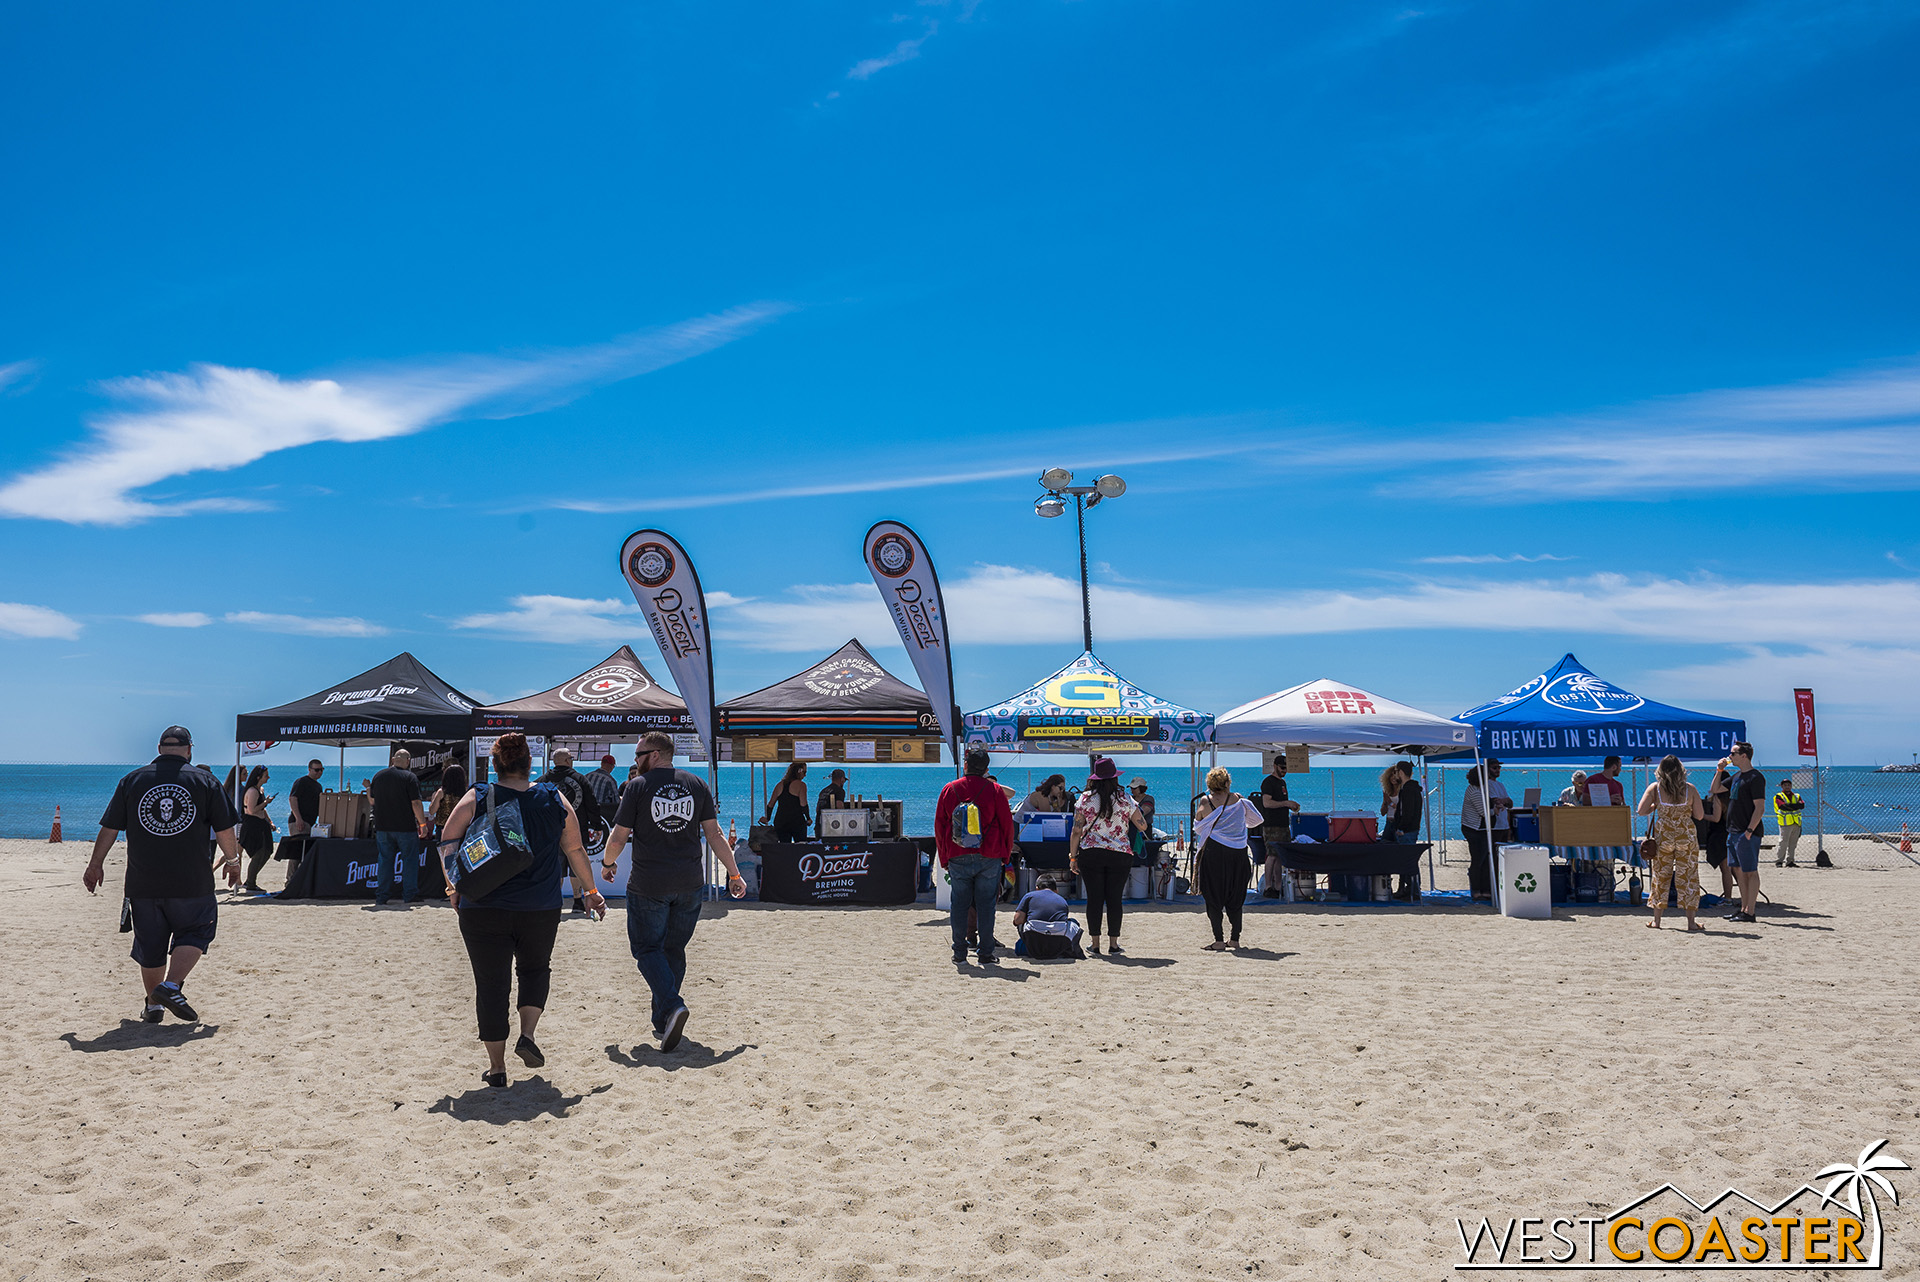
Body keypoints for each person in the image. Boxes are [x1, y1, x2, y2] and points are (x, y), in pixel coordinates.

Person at [438, 732, 607, 1088]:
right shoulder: (552, 797)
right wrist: (590, 891)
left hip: (483, 906)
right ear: (530, 764)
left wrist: (454, 885)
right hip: (540, 906)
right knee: (534, 970)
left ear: (496, 765)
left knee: (491, 984)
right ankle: (527, 1034)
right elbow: (575, 849)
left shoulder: (478, 794)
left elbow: (448, 840)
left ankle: (497, 1068)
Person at [83, 726, 241, 1023]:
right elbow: (224, 829)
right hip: (192, 880)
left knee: (150, 944)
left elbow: (110, 827)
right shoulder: (205, 780)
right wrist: (232, 861)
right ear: (189, 749)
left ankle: (153, 1006)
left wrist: (95, 864)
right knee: (196, 931)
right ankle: (170, 986)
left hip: (144, 881)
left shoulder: (132, 780)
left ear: (159, 748)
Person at [602, 731, 746, 1050]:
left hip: (649, 883)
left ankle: (671, 1006)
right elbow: (715, 834)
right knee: (673, 949)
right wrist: (733, 872)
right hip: (689, 883)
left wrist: (608, 864)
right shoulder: (697, 785)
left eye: (639, 755)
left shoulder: (638, 787)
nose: (635, 761)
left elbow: (617, 837)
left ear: (654, 755)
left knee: (646, 949)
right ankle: (663, 1019)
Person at [933, 746, 1017, 966]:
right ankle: (986, 952)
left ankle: (959, 952)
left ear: (966, 765)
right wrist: (1005, 855)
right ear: (986, 769)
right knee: (986, 906)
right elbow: (1007, 825)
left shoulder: (949, 789)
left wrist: (943, 857)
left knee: (959, 904)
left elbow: (940, 827)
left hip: (957, 854)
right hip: (989, 855)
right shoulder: (995, 790)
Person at [1068, 756, 1148, 956]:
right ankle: (1113, 944)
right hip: (1119, 853)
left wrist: (1073, 856)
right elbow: (1142, 825)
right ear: (1115, 778)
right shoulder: (1126, 799)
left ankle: (1095, 944)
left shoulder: (1085, 799)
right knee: (1114, 899)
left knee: (1094, 899)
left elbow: (1076, 831)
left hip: (1091, 853)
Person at [1193, 766, 1264, 950]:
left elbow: (1198, 823)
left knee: (1213, 896)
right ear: (1227, 782)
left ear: (1210, 784)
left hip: (1215, 852)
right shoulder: (1239, 799)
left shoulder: (1206, 801)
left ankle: (1218, 940)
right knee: (1236, 896)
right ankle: (1235, 939)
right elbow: (1255, 820)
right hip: (1239, 853)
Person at [1636, 754, 1706, 931]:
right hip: (1686, 837)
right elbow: (1699, 815)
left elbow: (1641, 811)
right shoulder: (1690, 789)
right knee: (1689, 877)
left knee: (1660, 876)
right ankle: (1691, 923)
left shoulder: (1655, 788)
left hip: (1664, 837)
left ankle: (1657, 922)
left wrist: (1656, 807)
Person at [539, 749, 605, 913]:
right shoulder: (580, 779)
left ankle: (556, 901)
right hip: (577, 828)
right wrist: (597, 826)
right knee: (576, 865)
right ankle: (577, 901)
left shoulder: (543, 781)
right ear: (568, 760)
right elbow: (592, 804)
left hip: (552, 831)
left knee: (557, 866)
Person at [369, 749, 428, 906]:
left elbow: (372, 800)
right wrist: (422, 824)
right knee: (409, 861)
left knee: (385, 861)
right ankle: (409, 895)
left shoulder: (379, 776)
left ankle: (382, 896)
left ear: (393, 759)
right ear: (408, 761)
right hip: (405, 827)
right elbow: (416, 803)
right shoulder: (410, 777)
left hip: (382, 826)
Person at [1722, 742, 1766, 924]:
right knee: (1738, 871)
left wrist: (1749, 830)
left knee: (1750, 871)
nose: (1730, 756)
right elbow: (1715, 789)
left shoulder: (1755, 777)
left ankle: (1751, 911)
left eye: (1733, 753)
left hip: (1746, 832)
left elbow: (1760, 807)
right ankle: (1743, 908)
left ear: (1744, 755)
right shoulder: (1736, 776)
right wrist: (1719, 771)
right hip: (1733, 830)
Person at [1257, 755, 1301, 898]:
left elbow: (1280, 802)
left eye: (1286, 768)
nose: (1284, 771)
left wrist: (1290, 806)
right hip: (1271, 825)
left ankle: (1277, 886)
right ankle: (1268, 886)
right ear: (1275, 766)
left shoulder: (1282, 783)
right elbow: (1267, 803)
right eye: (1282, 768)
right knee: (1271, 855)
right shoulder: (1268, 782)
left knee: (1280, 856)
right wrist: (1286, 804)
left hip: (1283, 824)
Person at [1012, 875, 1085, 960]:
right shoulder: (1062, 900)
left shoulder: (1029, 896)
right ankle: (1068, 950)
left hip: (1034, 943)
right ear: (1056, 890)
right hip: (1057, 945)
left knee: (1022, 922)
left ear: (1037, 888)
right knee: (1073, 921)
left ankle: (1027, 947)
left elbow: (1017, 920)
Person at [1385, 761, 1424, 900]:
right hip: (1409, 829)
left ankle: (1412, 890)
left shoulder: (1408, 790)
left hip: (1407, 831)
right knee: (1407, 861)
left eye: (1396, 772)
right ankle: (1407, 889)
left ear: (1401, 772)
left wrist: (1401, 828)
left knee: (1408, 861)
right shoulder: (1411, 789)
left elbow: (1407, 812)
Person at [1699, 760, 1734, 900]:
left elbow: (1715, 818)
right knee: (1734, 870)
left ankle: (1728, 898)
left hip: (1719, 835)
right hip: (1730, 832)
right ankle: (1740, 896)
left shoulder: (1718, 798)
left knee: (1725, 870)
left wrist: (1701, 816)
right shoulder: (1732, 797)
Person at [239, 766, 276, 891]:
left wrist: (269, 821)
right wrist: (266, 802)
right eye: (266, 775)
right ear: (258, 777)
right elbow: (251, 810)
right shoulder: (252, 791)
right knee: (258, 853)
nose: (268, 777)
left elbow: (262, 809)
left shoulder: (260, 789)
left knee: (267, 851)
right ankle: (250, 883)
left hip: (261, 824)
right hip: (252, 825)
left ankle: (250, 880)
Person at [1461, 766, 1494, 902]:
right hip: (1474, 829)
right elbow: (1484, 812)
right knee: (1478, 859)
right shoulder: (1475, 791)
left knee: (1484, 859)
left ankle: (1484, 889)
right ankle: (1476, 889)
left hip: (1478, 829)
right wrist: (1495, 810)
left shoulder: (1476, 789)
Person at [763, 761, 809, 843]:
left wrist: (768, 818)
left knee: (783, 847)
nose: (805, 775)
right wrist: (808, 818)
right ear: (799, 771)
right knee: (801, 847)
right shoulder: (801, 785)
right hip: (796, 821)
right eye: (804, 772)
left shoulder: (780, 785)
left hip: (781, 821)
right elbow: (803, 804)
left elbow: (770, 804)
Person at [1773, 778, 1805, 867]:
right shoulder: (1779, 796)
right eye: (1785, 785)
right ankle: (1779, 861)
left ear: (1791, 786)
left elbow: (1802, 805)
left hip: (1796, 823)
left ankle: (1790, 861)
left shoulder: (1797, 796)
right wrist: (1795, 806)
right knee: (1783, 842)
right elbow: (1782, 806)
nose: (1787, 786)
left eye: (1788, 785)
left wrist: (1790, 806)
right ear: (1782, 786)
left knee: (1793, 843)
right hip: (1785, 823)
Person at [585, 753, 621, 821]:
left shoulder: (587, 776)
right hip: (602, 817)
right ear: (612, 766)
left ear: (601, 763)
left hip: (586, 814)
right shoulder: (610, 781)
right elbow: (616, 803)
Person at [815, 768, 849, 836]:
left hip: (819, 823)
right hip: (832, 826)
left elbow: (817, 808)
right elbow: (839, 807)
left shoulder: (824, 791)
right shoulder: (839, 791)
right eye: (844, 780)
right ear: (842, 779)